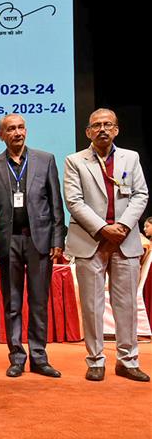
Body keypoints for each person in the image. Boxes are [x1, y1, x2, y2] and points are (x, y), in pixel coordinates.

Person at [64, 108, 149, 382]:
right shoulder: (75, 161)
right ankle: (96, 360)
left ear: (116, 130)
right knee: (91, 305)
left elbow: (141, 194)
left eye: (108, 125)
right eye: (97, 125)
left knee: (126, 304)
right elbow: (74, 201)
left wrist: (122, 227)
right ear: (88, 132)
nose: (102, 129)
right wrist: (103, 229)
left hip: (125, 240)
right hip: (92, 240)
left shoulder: (131, 158)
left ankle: (127, 360)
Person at [0, 114, 65, 378]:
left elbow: (56, 204)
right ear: (1, 135)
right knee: (13, 302)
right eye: (10, 129)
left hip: (38, 240)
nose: (17, 133)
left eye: (20, 128)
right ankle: (17, 356)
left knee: (39, 301)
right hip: (8, 242)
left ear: (26, 131)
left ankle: (39, 357)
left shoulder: (46, 160)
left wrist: (57, 240)